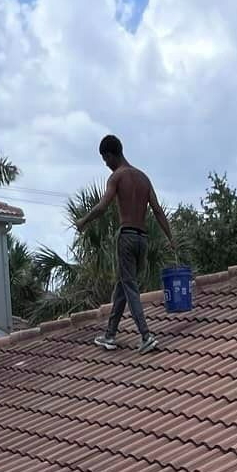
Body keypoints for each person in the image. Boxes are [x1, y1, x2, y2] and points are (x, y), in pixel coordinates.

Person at [78, 135, 176, 352]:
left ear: (111, 155)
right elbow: (158, 210)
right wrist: (170, 237)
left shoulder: (117, 177)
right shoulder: (143, 178)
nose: (106, 165)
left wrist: (84, 221)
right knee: (124, 284)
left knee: (129, 286)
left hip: (127, 237)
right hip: (143, 239)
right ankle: (110, 335)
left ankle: (146, 336)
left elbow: (103, 206)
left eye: (105, 160)